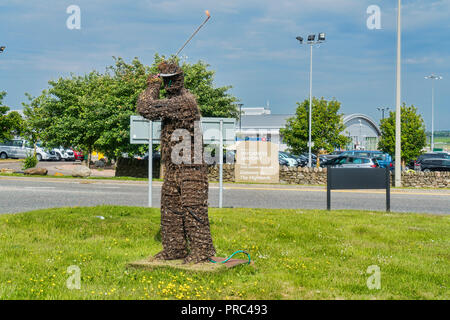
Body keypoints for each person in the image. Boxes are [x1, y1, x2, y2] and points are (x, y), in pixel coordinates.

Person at [136, 60, 215, 264]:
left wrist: (152, 86)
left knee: (193, 209)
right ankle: (175, 249)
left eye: (172, 81)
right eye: (166, 82)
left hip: (191, 167)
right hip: (173, 167)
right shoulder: (174, 103)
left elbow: (145, 108)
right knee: (170, 210)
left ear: (179, 80)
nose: (170, 85)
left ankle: (202, 250)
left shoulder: (184, 102)